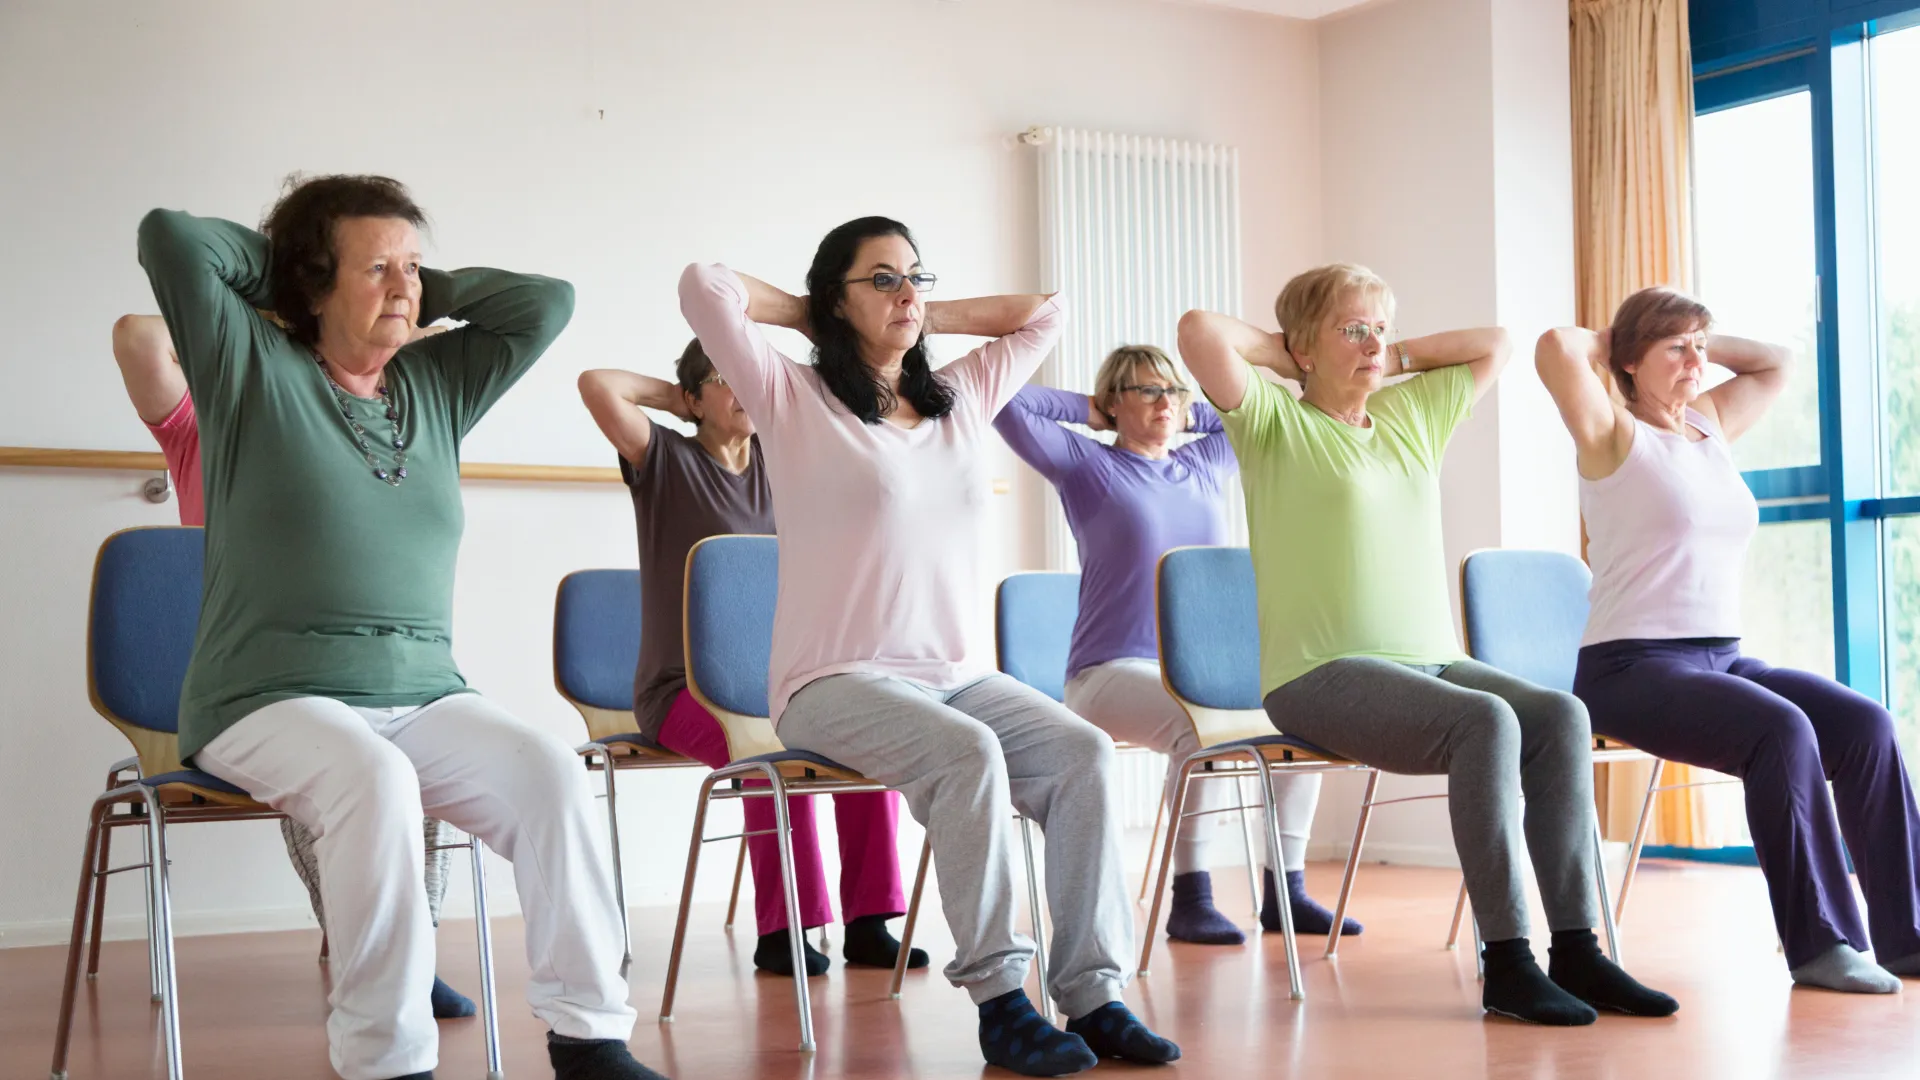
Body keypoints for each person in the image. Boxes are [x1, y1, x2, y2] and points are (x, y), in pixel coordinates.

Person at [137, 173, 661, 1080]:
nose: (404, 288)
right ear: (309, 282)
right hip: (262, 696)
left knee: (549, 774)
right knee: (371, 776)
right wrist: (292, 278)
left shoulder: (435, 382)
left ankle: (590, 1039)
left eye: (413, 267)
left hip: (423, 691)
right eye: (376, 268)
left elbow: (546, 304)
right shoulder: (247, 368)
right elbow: (170, 238)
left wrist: (416, 281)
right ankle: (389, 1061)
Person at [679, 216, 1178, 1075]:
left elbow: (1046, 314)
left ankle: (1093, 995)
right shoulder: (792, 397)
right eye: (881, 278)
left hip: (954, 675)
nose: (908, 290)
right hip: (830, 683)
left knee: (1083, 752)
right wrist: (812, 313)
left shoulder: (959, 398)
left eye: (916, 275)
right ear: (837, 297)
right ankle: (1001, 1001)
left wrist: (912, 310)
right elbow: (703, 285)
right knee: (968, 754)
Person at [1177, 263, 1677, 1026]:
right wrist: (1290, 356)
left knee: (1560, 717)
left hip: (1433, 659)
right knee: (1485, 723)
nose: (1374, 342)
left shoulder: (1413, 414)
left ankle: (1577, 950)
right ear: (1303, 347)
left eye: (1380, 326)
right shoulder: (1273, 421)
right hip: (1319, 672)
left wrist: (1386, 353)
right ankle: (1507, 961)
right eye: (1354, 328)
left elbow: (1496, 344)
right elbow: (1200, 332)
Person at [1539, 286, 1920, 994]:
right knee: (1779, 730)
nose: (1695, 362)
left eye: (1701, 347)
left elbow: (1776, 362)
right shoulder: (1612, 432)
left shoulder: (1709, 426)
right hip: (1629, 667)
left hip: (1721, 655)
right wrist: (1620, 336)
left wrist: (1692, 339)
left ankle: (1908, 936)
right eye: (1675, 349)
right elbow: (1557, 348)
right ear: (1628, 362)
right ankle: (1821, 945)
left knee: (1866, 726)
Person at [111, 313, 475, 1020]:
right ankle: (376, 953)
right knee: (337, 763)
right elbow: (138, 337)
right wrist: (282, 322)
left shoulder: (353, 427)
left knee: (414, 759)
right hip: (243, 679)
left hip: (353, 669)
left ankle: (408, 950)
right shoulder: (203, 425)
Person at [577, 340, 923, 979]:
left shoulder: (783, 461)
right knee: (766, 761)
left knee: (861, 743)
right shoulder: (664, 460)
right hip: (681, 692)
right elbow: (600, 383)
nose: (741, 389)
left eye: (748, 378)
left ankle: (870, 921)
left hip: (782, 686)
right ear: (694, 397)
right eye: (723, 380)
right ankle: (784, 928)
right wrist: (679, 398)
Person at [992, 345, 1353, 946]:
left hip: (1203, 671)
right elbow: (1003, 401)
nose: (1165, 402)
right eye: (1146, 391)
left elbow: (1259, 408)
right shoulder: (1088, 468)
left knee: (1305, 720)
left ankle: (1284, 893)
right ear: (1113, 402)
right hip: (1107, 673)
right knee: (1197, 728)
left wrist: (1187, 409)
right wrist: (1091, 410)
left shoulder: (1207, 465)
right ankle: (1192, 898)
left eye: (1173, 391)